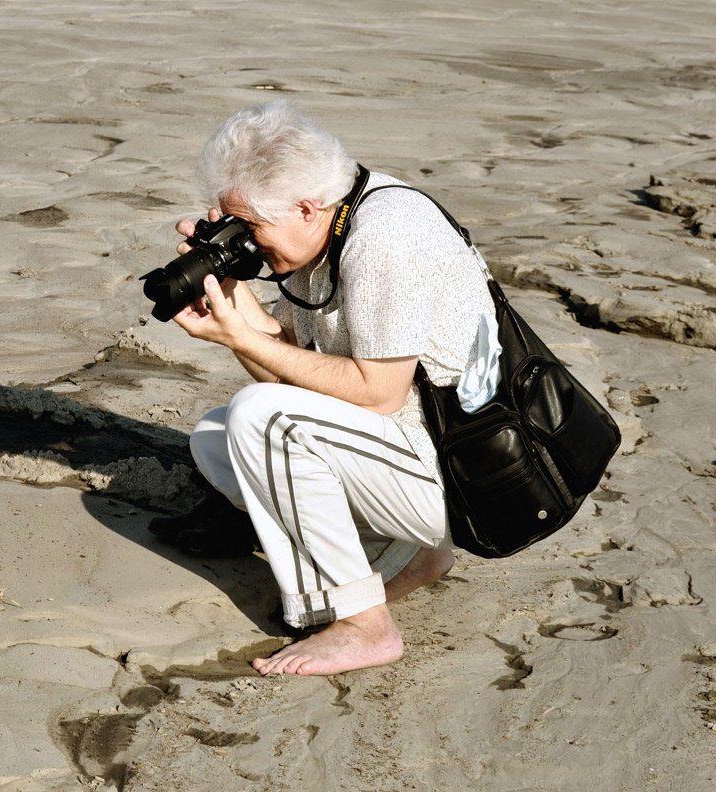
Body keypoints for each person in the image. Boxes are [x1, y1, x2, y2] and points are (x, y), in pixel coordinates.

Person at [154, 100, 493, 676]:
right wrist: (233, 313)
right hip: (405, 447)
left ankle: (365, 626)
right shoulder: (328, 223)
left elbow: (378, 393)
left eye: (251, 227)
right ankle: (411, 556)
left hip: (464, 477)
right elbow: (294, 373)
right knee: (217, 437)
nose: (250, 244)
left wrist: (247, 339)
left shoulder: (385, 237)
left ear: (307, 207)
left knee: (259, 417)